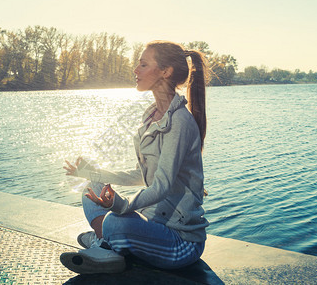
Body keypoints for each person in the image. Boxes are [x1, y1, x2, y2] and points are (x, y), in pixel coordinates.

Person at [60, 40, 209, 274]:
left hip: (181, 242)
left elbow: (162, 186)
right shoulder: (151, 115)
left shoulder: (179, 121)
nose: (135, 70)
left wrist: (121, 205)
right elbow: (143, 175)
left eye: (142, 64)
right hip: (154, 226)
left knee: (116, 220)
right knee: (92, 188)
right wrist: (91, 173)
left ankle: (105, 243)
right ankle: (108, 243)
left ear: (165, 72)